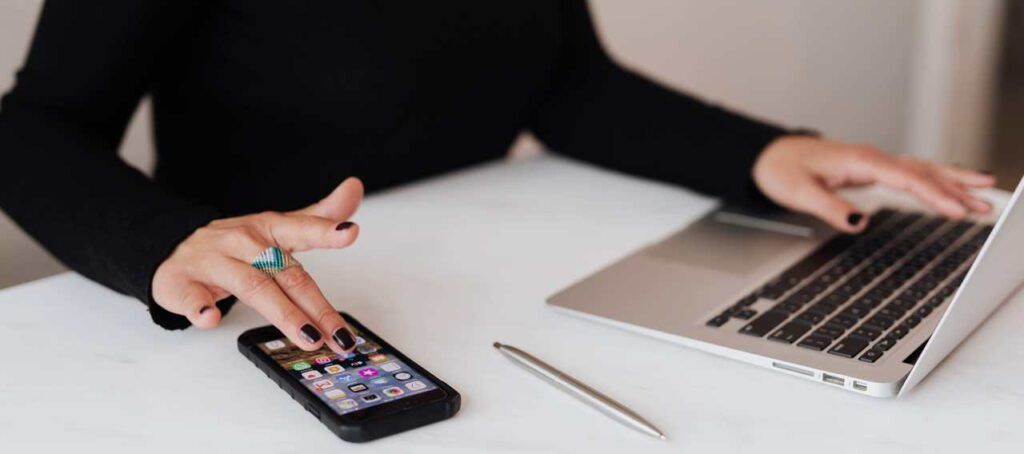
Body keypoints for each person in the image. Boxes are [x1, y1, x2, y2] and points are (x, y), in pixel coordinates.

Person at [0, 1, 994, 355]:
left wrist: (761, 155)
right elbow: (32, 128)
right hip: (272, 321)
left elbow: (562, 79)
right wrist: (159, 244)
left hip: (497, 297)